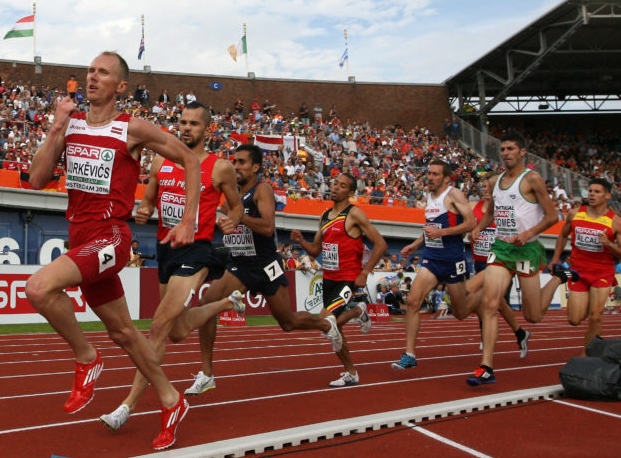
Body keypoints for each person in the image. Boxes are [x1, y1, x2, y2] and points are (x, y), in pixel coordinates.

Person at [24, 51, 196, 451]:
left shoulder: (131, 128)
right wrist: (56, 126)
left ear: (120, 86)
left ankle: (87, 357)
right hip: (80, 237)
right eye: (90, 70)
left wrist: (187, 219)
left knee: (38, 288)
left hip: (113, 237)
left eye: (103, 72)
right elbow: (35, 180)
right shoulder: (71, 125)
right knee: (124, 332)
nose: (92, 77)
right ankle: (171, 400)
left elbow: (189, 159)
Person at [99, 101, 245, 432]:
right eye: (183, 122)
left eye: (194, 123)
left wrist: (231, 221)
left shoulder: (219, 168)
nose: (186, 128)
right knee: (177, 331)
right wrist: (144, 210)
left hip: (197, 250)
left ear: (206, 128)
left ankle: (127, 406)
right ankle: (224, 304)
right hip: (165, 249)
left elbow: (235, 208)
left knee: (159, 326)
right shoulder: (161, 160)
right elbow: (149, 200)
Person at [187, 144, 346, 392]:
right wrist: (226, 224)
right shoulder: (231, 195)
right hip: (240, 264)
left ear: (255, 167)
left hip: (266, 265)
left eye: (241, 162)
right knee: (206, 303)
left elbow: (268, 228)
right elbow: (227, 221)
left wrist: (238, 218)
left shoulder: (262, 190)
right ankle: (207, 373)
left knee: (288, 322)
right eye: (234, 162)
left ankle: (326, 325)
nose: (235, 166)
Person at [468, 134, 568, 386]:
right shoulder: (498, 180)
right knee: (490, 304)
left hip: (527, 251)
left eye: (510, 148)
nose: (505, 153)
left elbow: (553, 216)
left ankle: (557, 279)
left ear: (522, 151)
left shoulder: (532, 179)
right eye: (502, 149)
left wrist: (527, 234)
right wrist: (479, 227)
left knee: (533, 315)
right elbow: (492, 212)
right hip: (502, 249)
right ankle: (486, 367)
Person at [291, 171, 386, 387]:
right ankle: (351, 371)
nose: (335, 187)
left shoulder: (354, 214)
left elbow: (381, 244)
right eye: (335, 183)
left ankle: (357, 311)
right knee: (335, 329)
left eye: (342, 186)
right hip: (329, 279)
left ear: (350, 193)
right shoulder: (324, 217)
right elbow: (315, 251)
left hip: (348, 277)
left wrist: (364, 272)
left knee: (326, 320)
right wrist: (301, 241)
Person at [392, 160, 481, 371]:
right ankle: (410, 354)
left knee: (461, 313)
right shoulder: (428, 197)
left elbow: (471, 223)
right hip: (432, 258)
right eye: (429, 173)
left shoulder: (454, 195)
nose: (430, 177)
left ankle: (485, 300)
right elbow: (431, 228)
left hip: (452, 260)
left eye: (435, 174)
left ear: (446, 178)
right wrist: (415, 244)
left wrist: (441, 233)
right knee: (413, 301)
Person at [550, 178, 621, 355]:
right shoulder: (575, 214)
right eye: (590, 191)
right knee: (574, 319)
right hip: (578, 271)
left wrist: (608, 244)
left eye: (597, 191)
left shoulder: (616, 222)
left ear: (607, 195)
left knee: (595, 316)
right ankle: (586, 307)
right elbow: (562, 236)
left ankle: (588, 355)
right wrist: (555, 259)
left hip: (602, 272)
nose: (592, 194)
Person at [466, 173, 531, 358]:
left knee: (490, 302)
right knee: (493, 303)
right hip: (479, 261)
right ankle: (519, 333)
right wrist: (472, 231)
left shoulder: (506, 208)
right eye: (484, 187)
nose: (485, 190)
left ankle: (488, 341)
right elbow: (467, 224)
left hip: (500, 262)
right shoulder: (474, 207)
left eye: (489, 187)